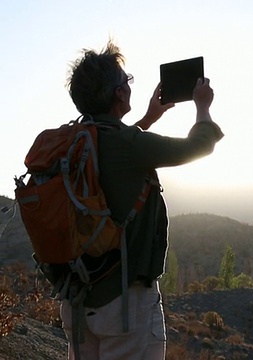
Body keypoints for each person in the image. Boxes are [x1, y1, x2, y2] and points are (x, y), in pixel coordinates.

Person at [59, 40, 224, 359]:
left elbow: (114, 150)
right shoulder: (126, 144)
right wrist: (202, 105)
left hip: (77, 300)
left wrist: (148, 119)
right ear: (119, 93)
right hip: (124, 306)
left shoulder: (74, 142)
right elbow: (199, 145)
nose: (130, 86)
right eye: (127, 81)